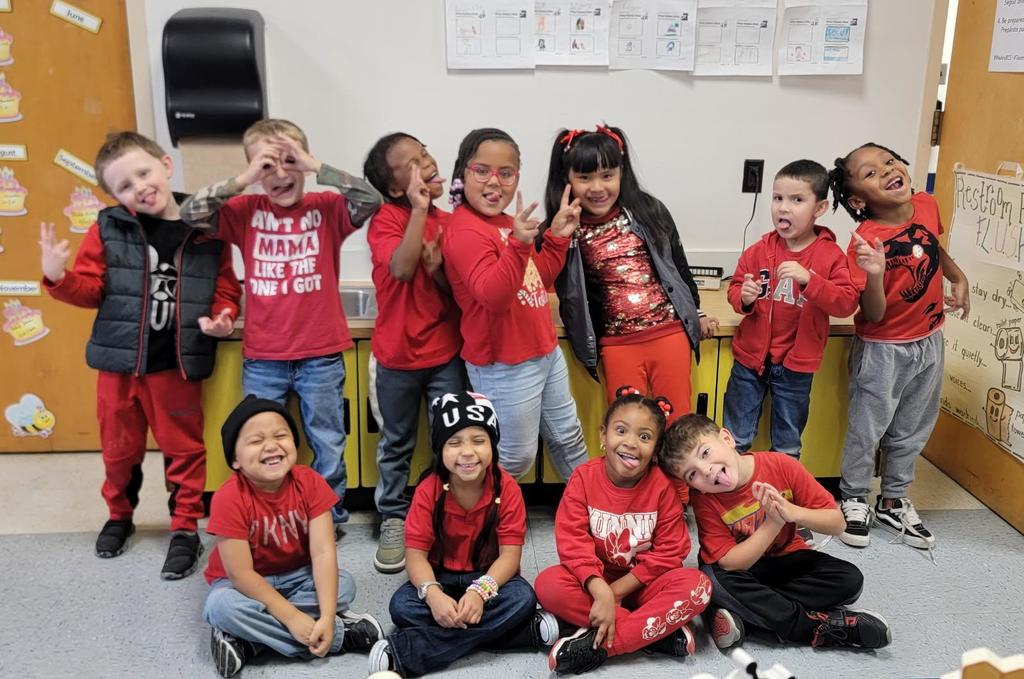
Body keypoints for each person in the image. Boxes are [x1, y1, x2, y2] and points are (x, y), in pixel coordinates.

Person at [39, 131, 240, 579]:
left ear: (166, 165)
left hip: (177, 364)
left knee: (184, 450)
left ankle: (185, 527)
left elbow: (226, 287)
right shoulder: (108, 227)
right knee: (118, 450)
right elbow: (91, 290)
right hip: (119, 367)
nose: (140, 187)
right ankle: (119, 516)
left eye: (144, 173)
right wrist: (58, 276)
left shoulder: (206, 224)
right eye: (124, 186)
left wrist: (223, 316)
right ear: (114, 197)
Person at [180, 119, 383, 529]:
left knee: (327, 440)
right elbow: (190, 213)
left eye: (289, 162)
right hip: (263, 357)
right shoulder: (244, 211)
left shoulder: (326, 209)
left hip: (321, 354)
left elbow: (370, 199)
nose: (279, 174)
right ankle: (268, 514)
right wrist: (244, 179)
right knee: (259, 441)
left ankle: (329, 517)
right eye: (266, 166)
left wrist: (314, 164)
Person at [828, 143, 969, 549]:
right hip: (883, 349)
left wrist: (958, 277)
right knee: (867, 428)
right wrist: (873, 274)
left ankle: (893, 498)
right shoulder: (864, 240)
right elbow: (871, 313)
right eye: (870, 173)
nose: (887, 171)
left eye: (888, 162)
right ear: (858, 200)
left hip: (929, 339)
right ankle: (854, 497)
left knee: (913, 425)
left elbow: (932, 246)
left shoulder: (926, 203)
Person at [660, 414, 892, 651]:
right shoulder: (705, 499)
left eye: (705, 453)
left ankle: (748, 616)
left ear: (727, 438)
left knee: (850, 580)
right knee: (714, 581)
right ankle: (815, 628)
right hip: (744, 570)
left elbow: (837, 523)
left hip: (786, 559)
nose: (706, 470)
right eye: (692, 475)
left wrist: (793, 513)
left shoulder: (781, 465)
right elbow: (729, 564)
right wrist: (773, 524)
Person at [368, 392, 558, 677]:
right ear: (439, 449)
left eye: (479, 441)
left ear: (492, 446)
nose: (467, 452)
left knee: (522, 597)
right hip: (439, 577)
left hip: (487, 578)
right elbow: (415, 556)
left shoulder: (507, 489)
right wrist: (433, 595)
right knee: (401, 607)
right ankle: (521, 634)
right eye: (454, 442)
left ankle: (409, 652)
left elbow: (509, 556)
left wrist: (480, 593)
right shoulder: (428, 490)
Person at [441, 127, 588, 480]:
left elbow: (537, 279)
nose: (495, 182)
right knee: (515, 456)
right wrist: (520, 245)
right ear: (464, 172)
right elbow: (494, 296)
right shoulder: (464, 230)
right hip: (503, 364)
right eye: (482, 171)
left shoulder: (508, 223)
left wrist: (555, 238)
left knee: (569, 437)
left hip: (543, 351)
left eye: (505, 173)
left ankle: (592, 509)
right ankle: (482, 519)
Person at [542, 125, 717, 419]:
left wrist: (696, 312)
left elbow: (677, 264)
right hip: (616, 343)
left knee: (676, 424)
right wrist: (557, 237)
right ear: (566, 179)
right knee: (627, 426)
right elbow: (541, 280)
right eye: (585, 178)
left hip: (669, 333)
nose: (597, 188)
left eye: (607, 175)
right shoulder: (563, 227)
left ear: (622, 172)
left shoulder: (649, 210)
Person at [203, 396, 383, 677]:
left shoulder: (309, 481)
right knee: (220, 607)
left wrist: (324, 615)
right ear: (235, 460)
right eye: (255, 440)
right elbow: (241, 574)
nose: (271, 445)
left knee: (344, 584)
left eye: (280, 435)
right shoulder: (228, 498)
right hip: (245, 585)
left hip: (298, 575)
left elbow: (323, 553)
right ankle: (339, 636)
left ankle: (248, 644)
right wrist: (294, 618)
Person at [535, 388, 712, 674]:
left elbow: (670, 552)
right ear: (603, 436)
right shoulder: (583, 478)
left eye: (644, 437)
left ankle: (603, 644)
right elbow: (572, 543)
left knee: (699, 586)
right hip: (594, 584)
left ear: (656, 450)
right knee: (548, 584)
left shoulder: (662, 487)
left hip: (646, 586)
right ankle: (657, 633)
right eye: (621, 430)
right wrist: (599, 589)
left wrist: (613, 592)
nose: (631, 443)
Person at [363, 132, 466, 573]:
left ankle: (443, 513)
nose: (427, 164)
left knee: (451, 438)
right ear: (393, 188)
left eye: (425, 154)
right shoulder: (386, 219)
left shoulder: (451, 222)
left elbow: (453, 292)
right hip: (397, 358)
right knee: (397, 443)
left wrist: (439, 270)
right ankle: (393, 516)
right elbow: (402, 270)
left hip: (445, 354)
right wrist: (419, 209)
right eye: (412, 163)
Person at [723, 160, 858, 460]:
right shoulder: (758, 251)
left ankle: (780, 501)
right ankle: (730, 498)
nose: (783, 208)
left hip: (796, 367)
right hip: (749, 361)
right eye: (777, 198)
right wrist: (743, 298)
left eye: (797, 200)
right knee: (734, 438)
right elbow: (734, 289)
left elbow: (847, 301)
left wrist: (810, 280)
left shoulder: (829, 255)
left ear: (819, 208)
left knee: (787, 444)